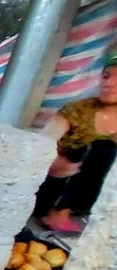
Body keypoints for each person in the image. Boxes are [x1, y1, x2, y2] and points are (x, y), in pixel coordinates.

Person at [35, 57, 117, 234]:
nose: (109, 83)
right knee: (102, 148)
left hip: (95, 201)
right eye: (106, 76)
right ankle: (57, 214)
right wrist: (52, 161)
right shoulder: (78, 110)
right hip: (54, 188)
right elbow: (42, 143)